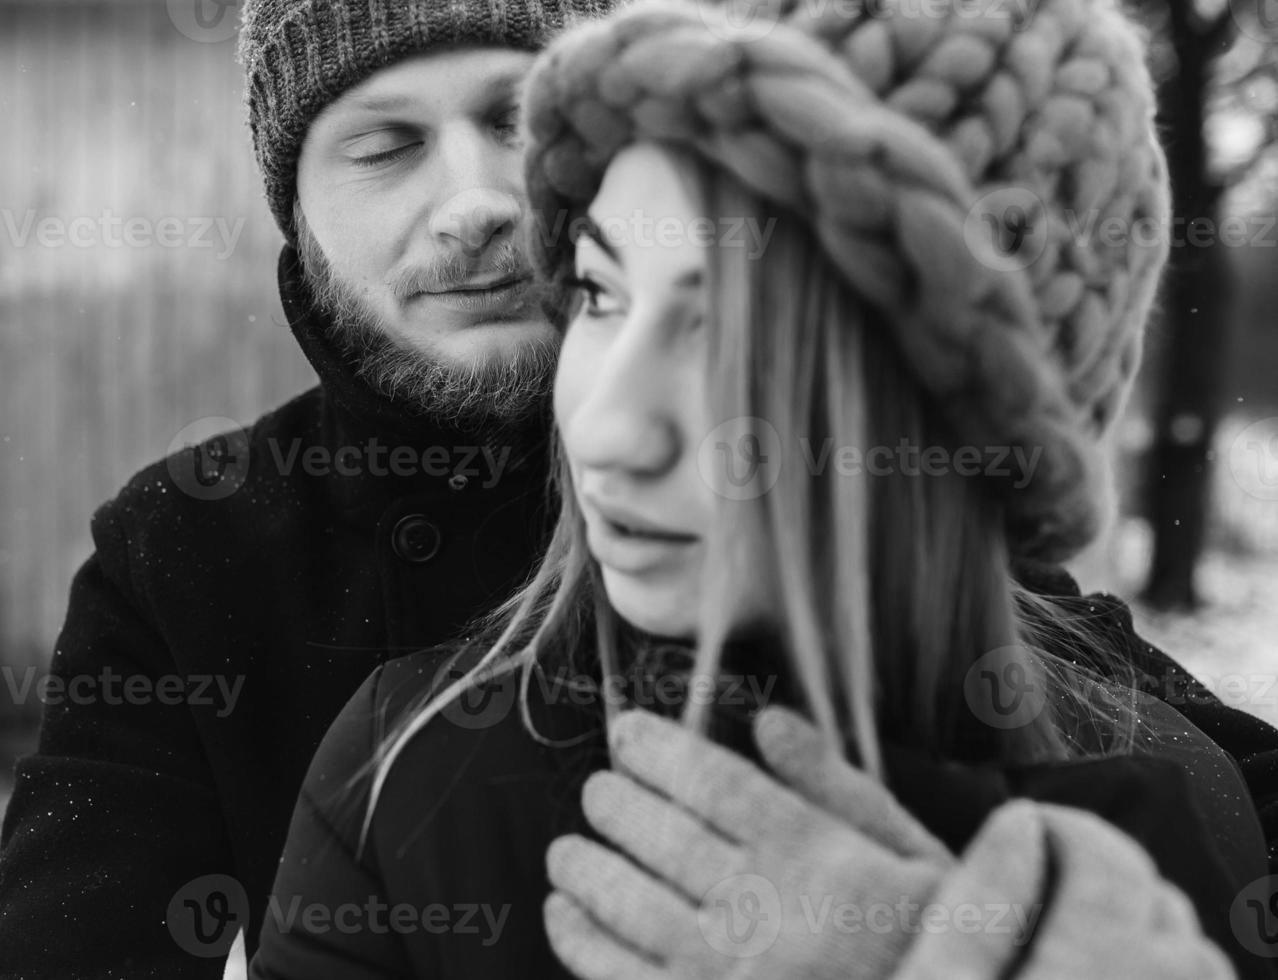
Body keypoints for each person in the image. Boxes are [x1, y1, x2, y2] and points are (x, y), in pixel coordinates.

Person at [251, 0, 1278, 978]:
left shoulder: (1170, 825)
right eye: (602, 293)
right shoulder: (412, 778)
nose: (609, 423)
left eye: (734, 337)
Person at [0, 2, 614, 977]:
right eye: (387, 146)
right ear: (294, 211)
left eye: (520, 121)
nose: (475, 202)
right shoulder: (189, 553)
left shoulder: (793, 484)